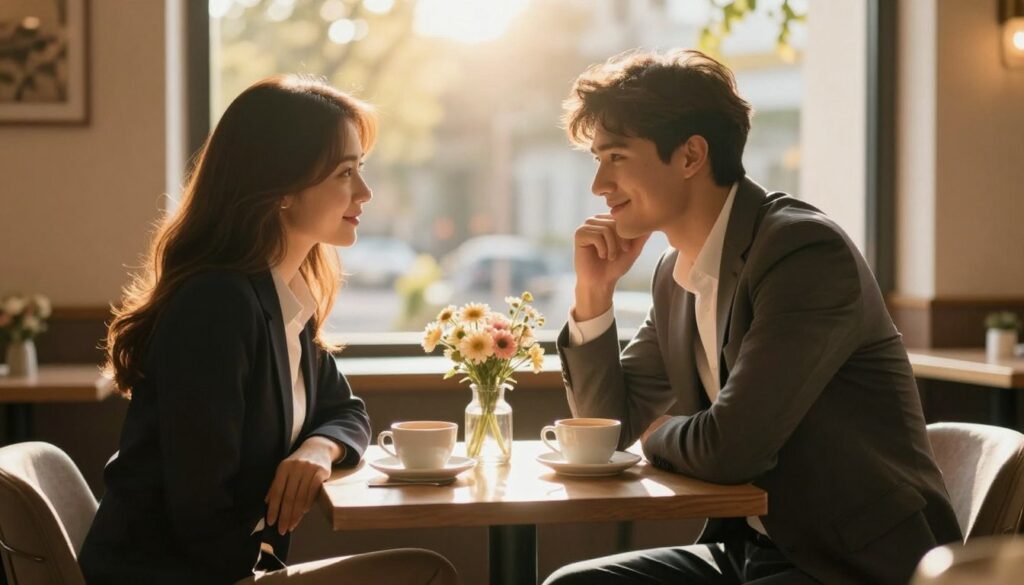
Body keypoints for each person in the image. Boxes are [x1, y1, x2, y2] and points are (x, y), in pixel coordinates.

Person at [544, 50, 962, 585]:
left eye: (617, 157)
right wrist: (593, 293)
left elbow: (729, 449)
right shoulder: (675, 272)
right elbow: (608, 428)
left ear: (691, 155)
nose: (599, 184)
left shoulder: (802, 252)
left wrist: (657, 434)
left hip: (852, 563)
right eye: (597, 161)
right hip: (752, 550)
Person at [78, 75, 460, 585]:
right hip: (178, 576)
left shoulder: (281, 296)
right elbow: (198, 509)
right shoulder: (218, 305)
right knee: (425, 573)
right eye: (345, 173)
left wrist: (316, 449)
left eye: (360, 170)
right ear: (281, 188)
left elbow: (345, 411)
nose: (365, 193)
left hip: (225, 567)